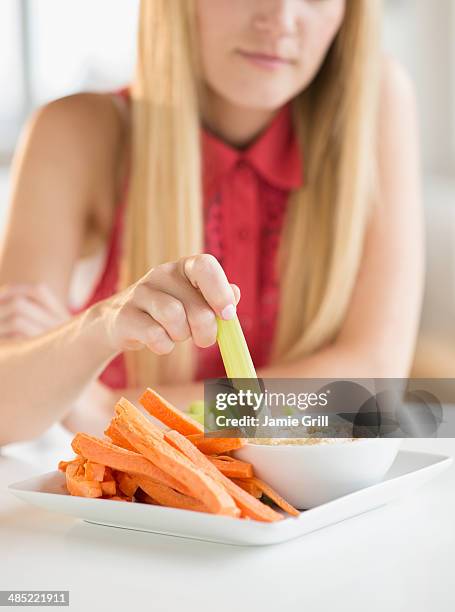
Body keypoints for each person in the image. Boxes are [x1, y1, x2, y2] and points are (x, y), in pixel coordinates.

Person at [0, 0, 423, 445]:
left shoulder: (374, 102)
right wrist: (95, 329)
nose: (280, 19)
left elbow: (369, 389)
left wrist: (110, 407)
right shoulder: (77, 131)